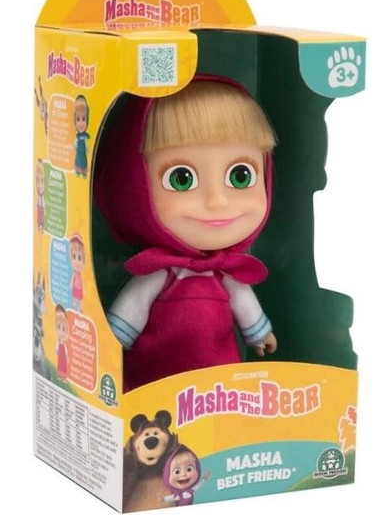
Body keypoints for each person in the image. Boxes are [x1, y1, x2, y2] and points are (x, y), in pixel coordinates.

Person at [95, 77, 277, 391]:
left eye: (240, 176)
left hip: (220, 387)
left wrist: (260, 334)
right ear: (134, 186)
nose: (217, 201)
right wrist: (109, 345)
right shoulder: (158, 275)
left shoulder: (226, 276)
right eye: (182, 179)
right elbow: (129, 312)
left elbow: (244, 302)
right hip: (154, 382)